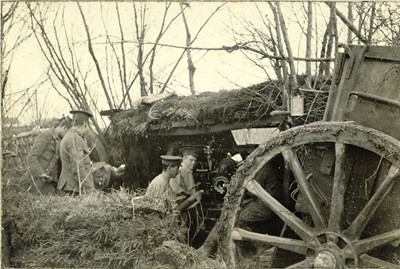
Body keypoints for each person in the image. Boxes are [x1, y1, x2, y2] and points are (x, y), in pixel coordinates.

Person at [198, 158, 283, 257]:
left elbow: (252, 189)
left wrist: (230, 187)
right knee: (232, 218)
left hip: (264, 206)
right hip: (264, 203)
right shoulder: (266, 166)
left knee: (230, 219)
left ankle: (207, 249)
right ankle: (210, 248)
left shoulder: (264, 168)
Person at [15, 117, 72, 195]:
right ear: (65, 128)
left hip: (46, 184)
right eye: (67, 133)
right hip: (32, 182)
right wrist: (40, 173)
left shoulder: (59, 141)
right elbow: (32, 157)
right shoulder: (46, 135)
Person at [57, 110, 96, 195]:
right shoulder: (74, 139)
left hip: (72, 187)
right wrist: (90, 190)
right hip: (74, 189)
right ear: (85, 124)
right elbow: (78, 169)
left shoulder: (70, 136)